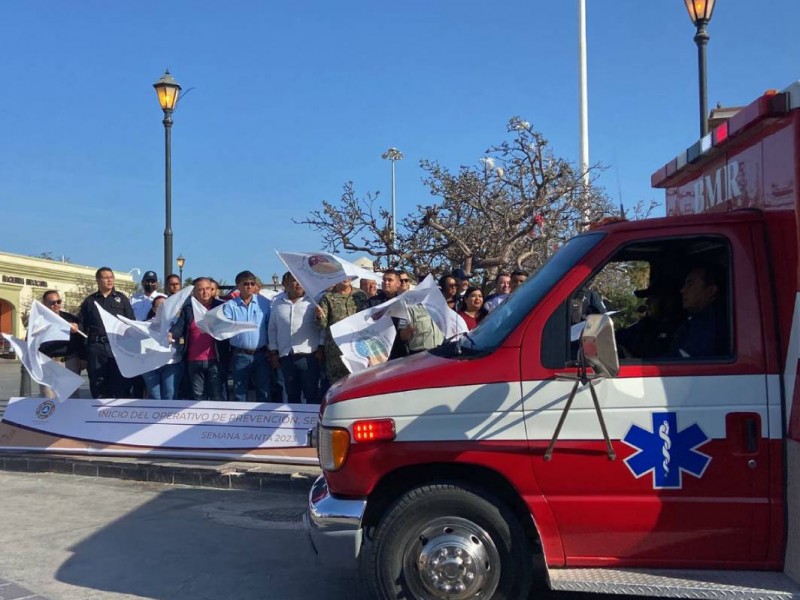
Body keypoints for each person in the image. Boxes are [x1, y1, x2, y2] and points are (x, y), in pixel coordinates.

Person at [78, 267, 135, 399]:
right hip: (96, 347)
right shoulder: (90, 301)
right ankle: (100, 415)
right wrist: (82, 355)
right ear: (98, 280)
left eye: (111, 277)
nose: (109, 280)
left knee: (120, 383)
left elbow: (131, 322)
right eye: (105, 277)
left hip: (117, 347)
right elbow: (82, 326)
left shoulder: (121, 299)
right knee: (98, 382)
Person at [268, 272, 323, 403]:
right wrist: (274, 352)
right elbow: (272, 329)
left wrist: (321, 347)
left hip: (309, 356)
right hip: (286, 357)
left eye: (301, 280)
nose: (298, 284)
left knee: (312, 394)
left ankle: (311, 422)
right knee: (292, 395)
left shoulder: (314, 301)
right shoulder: (277, 303)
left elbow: (322, 326)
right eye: (294, 280)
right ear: (286, 284)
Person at [169, 277, 228, 400]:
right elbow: (179, 327)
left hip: (215, 359)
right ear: (194, 292)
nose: (205, 292)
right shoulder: (188, 309)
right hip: (193, 361)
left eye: (207, 289)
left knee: (217, 396)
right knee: (197, 397)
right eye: (200, 290)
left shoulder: (221, 307)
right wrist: (172, 334)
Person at [223, 270, 273, 402]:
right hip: (240, 355)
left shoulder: (265, 303)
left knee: (264, 390)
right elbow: (226, 328)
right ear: (238, 286)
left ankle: (264, 420)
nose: (249, 286)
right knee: (240, 391)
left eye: (252, 283)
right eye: (245, 283)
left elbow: (271, 327)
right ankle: (239, 421)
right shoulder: (229, 306)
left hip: (261, 354)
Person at [669, 263, 729, 358]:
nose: (682, 290)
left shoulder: (712, 324)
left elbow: (685, 360)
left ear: (711, 291)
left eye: (690, 284)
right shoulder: (694, 319)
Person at [316, 278, 369, 385]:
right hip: (336, 351)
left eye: (348, 276)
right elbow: (322, 325)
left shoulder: (360, 295)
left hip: (357, 348)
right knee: (338, 384)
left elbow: (367, 319)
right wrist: (319, 316)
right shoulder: (327, 297)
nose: (346, 279)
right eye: (342, 276)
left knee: (359, 382)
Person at [38, 290, 84, 397]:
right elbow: (31, 342)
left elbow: (81, 338)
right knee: (49, 400)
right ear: (45, 303)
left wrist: (82, 358)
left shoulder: (69, 318)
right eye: (52, 303)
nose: (56, 305)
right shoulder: (39, 321)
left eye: (58, 301)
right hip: (49, 363)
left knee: (72, 399)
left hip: (70, 362)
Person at [141, 294, 184, 400]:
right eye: (159, 307)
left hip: (171, 364)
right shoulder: (145, 325)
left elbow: (181, 333)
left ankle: (170, 417)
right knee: (154, 397)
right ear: (154, 309)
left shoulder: (177, 322)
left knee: (170, 395)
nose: (162, 309)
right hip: (151, 366)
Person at [369, 270, 408, 360]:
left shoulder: (405, 301)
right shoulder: (372, 302)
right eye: (384, 280)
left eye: (390, 280)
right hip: (379, 350)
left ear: (398, 283)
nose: (386, 282)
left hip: (401, 350)